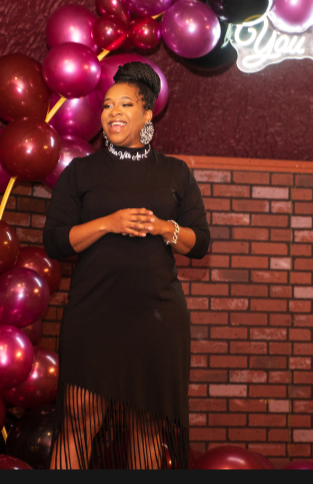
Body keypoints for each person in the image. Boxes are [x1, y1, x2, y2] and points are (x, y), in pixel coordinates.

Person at [42, 61, 210, 469]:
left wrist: (163, 227)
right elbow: (55, 240)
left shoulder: (175, 172)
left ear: (147, 115)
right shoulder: (81, 172)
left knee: (147, 427)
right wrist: (108, 223)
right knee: (79, 421)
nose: (113, 112)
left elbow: (200, 244)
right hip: (94, 315)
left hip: (156, 319)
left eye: (125, 104)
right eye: (106, 105)